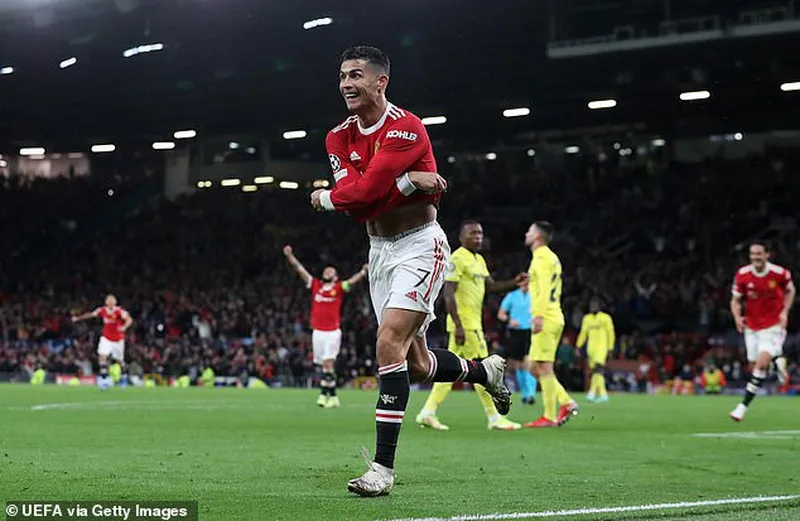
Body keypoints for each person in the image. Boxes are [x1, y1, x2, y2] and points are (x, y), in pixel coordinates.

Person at [310, 45, 511, 496]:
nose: (346, 84)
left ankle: (382, 470)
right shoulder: (337, 138)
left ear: (380, 81)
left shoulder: (406, 128)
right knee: (416, 365)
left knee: (387, 342)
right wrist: (407, 184)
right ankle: (485, 372)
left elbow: (362, 194)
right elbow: (359, 206)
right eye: (342, 76)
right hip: (378, 250)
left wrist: (327, 198)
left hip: (420, 245)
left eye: (356, 75)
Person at [415, 221, 526, 431]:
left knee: (452, 371)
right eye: (473, 233)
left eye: (480, 233)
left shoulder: (479, 260)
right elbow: (448, 292)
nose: (478, 237)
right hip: (465, 326)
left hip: (473, 324)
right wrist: (458, 325)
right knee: (485, 371)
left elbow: (491, 286)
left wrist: (514, 282)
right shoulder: (457, 258)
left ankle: (428, 412)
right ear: (462, 237)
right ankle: (494, 417)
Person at [283, 244, 368, 408]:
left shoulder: (339, 288)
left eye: (331, 271)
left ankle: (323, 395)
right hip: (318, 332)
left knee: (328, 362)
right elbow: (300, 270)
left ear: (335, 277)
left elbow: (352, 281)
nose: (327, 272)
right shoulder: (316, 286)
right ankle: (333, 397)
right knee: (324, 366)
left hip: (332, 332)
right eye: (326, 270)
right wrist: (290, 256)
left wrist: (363, 272)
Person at [729, 241, 794, 421]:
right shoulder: (743, 274)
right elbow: (735, 300)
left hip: (773, 325)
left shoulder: (779, 273)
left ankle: (742, 407)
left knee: (760, 365)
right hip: (751, 326)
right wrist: (737, 317)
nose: (755, 257)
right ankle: (777, 361)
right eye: (752, 254)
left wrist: (784, 312)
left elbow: (790, 290)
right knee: (753, 366)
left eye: (759, 254)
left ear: (767, 255)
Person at [522, 222, 579, 428]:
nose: (526, 234)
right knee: (534, 367)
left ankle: (553, 412)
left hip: (546, 317)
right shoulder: (552, 257)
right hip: (554, 316)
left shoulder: (540, 258)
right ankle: (563, 403)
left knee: (543, 367)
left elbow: (545, 288)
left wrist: (538, 317)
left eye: (530, 231)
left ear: (537, 236)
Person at [71, 294, 133, 390]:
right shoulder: (102, 310)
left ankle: (123, 377)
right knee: (102, 357)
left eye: (112, 300)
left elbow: (129, 319)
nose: (110, 302)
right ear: (106, 302)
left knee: (119, 361)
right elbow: (91, 315)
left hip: (118, 340)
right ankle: (104, 380)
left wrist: (124, 327)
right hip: (106, 338)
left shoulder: (119, 311)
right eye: (109, 300)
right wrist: (78, 318)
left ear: (115, 302)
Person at [498, 277, 537, 405]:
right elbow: (501, 314)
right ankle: (525, 394)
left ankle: (531, 393)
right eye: (524, 282)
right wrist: (509, 320)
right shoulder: (512, 296)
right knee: (519, 363)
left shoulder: (535, 295)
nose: (526, 285)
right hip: (516, 332)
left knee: (528, 359)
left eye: (528, 282)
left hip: (530, 331)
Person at [576, 297, 615, 403]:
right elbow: (583, 333)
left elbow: (610, 333)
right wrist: (578, 346)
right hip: (591, 349)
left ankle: (596, 392)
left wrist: (610, 348)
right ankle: (599, 394)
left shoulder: (606, 318)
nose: (593, 307)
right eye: (591, 305)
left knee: (598, 368)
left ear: (600, 307)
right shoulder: (587, 319)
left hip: (602, 347)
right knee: (595, 371)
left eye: (595, 305)